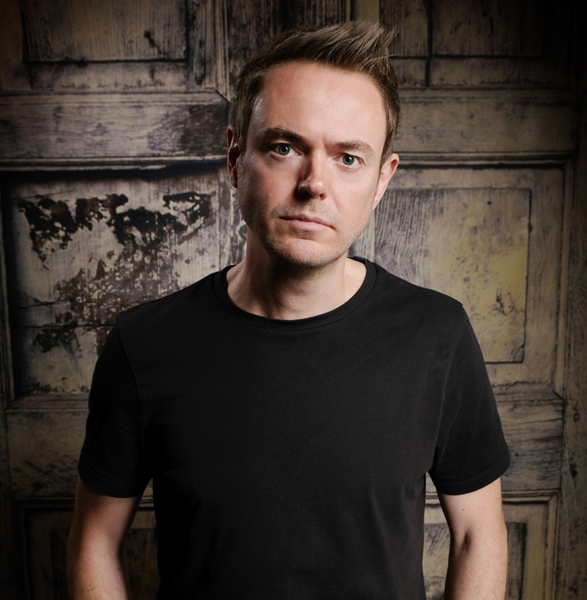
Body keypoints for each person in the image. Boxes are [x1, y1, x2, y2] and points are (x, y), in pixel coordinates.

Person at [67, 21, 510, 599]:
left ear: (382, 180)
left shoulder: (437, 335)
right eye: (284, 148)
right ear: (235, 158)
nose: (314, 184)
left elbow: (479, 534)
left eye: (348, 157)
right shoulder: (144, 343)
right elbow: (94, 543)